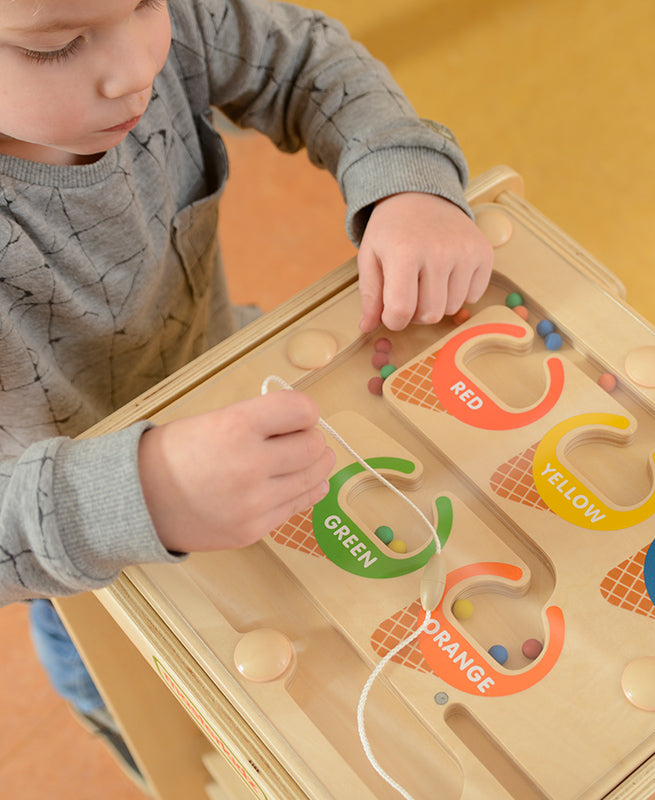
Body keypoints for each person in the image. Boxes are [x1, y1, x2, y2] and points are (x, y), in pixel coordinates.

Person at [0, 0, 492, 785]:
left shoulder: (167, 34)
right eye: (56, 47)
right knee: (120, 673)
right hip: (84, 546)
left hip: (224, 400)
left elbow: (309, 64)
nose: (135, 68)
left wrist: (407, 182)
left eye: (144, 3)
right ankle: (104, 709)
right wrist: (142, 493)